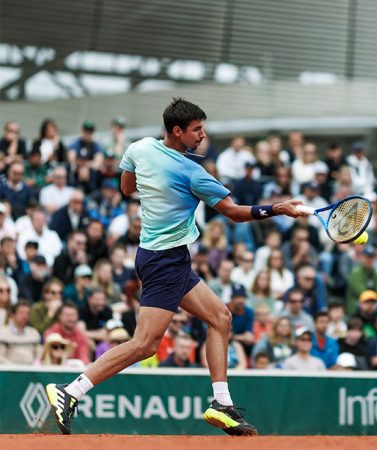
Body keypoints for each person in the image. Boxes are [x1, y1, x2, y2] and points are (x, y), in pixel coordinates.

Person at [44, 98, 304, 436]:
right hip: (164, 262)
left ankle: (221, 403)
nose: (203, 135)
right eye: (197, 129)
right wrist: (279, 208)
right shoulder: (193, 173)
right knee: (145, 344)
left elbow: (126, 188)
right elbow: (235, 213)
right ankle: (70, 391)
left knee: (220, 317)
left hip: (165, 258)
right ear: (177, 131)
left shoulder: (140, 148)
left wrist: (156, 190)